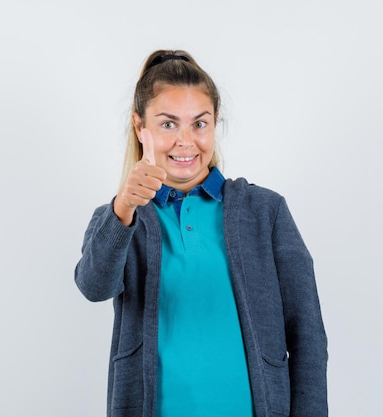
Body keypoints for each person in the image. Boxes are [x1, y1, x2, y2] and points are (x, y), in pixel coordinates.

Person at [74, 49, 328, 417]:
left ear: (214, 123)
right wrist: (124, 208)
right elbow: (93, 287)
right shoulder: (120, 218)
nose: (186, 140)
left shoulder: (265, 211)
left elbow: (307, 334)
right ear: (139, 126)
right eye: (167, 124)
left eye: (199, 123)